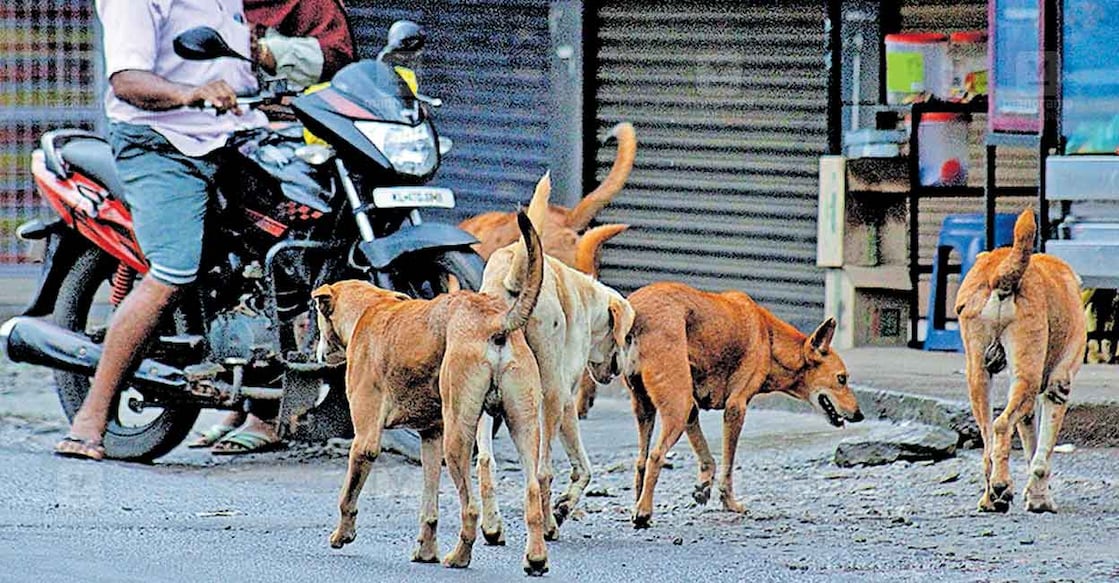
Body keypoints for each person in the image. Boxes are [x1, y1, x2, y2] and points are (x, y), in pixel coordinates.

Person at [56, 0, 270, 460]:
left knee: (286, 244)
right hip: (163, 144)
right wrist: (191, 93)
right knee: (172, 270)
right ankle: (90, 419)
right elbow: (128, 81)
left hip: (233, 137)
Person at [186, 0, 356, 455]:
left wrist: (267, 54)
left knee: (292, 264)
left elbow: (340, 62)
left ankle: (267, 411)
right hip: (234, 138)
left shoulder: (314, 5)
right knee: (244, 263)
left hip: (307, 144)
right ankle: (246, 404)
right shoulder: (218, 7)